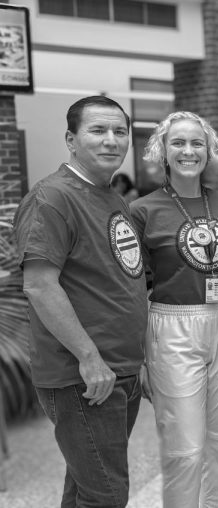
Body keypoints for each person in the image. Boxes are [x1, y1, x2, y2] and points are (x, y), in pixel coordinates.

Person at [15, 95, 147, 507]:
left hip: (117, 370)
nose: (111, 140)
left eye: (119, 131)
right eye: (98, 130)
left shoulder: (110, 195)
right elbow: (39, 286)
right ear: (71, 139)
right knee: (105, 495)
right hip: (83, 375)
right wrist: (90, 358)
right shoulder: (52, 199)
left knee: (85, 490)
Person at [131, 110, 218, 508]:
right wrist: (141, 359)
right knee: (184, 447)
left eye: (196, 143)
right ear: (162, 151)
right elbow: (134, 289)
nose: (188, 151)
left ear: (209, 150)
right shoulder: (142, 211)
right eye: (178, 143)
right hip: (172, 325)